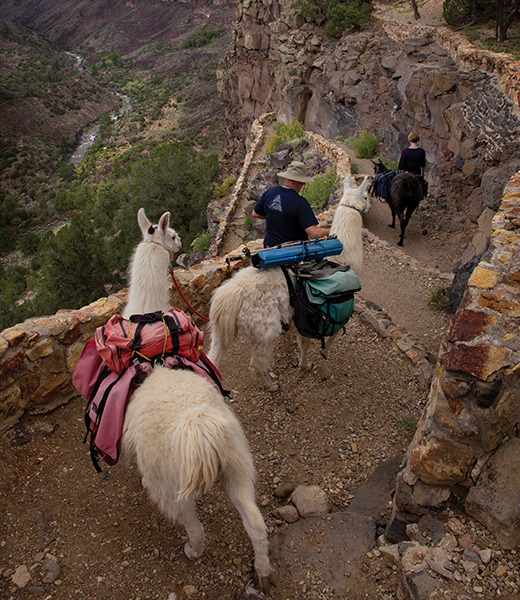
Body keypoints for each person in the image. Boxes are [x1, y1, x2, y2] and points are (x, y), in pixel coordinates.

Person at [251, 160, 330, 247]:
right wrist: (334, 230)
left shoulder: (270, 191)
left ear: (285, 178)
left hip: (269, 248)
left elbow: (255, 214)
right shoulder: (300, 202)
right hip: (293, 252)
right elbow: (314, 234)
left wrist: (276, 216)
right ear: (301, 183)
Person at [398, 131, 427, 197]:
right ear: (417, 139)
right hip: (416, 175)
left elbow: (401, 166)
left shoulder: (405, 151)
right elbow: (423, 165)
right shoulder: (421, 151)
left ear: (409, 139)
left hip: (406, 175)